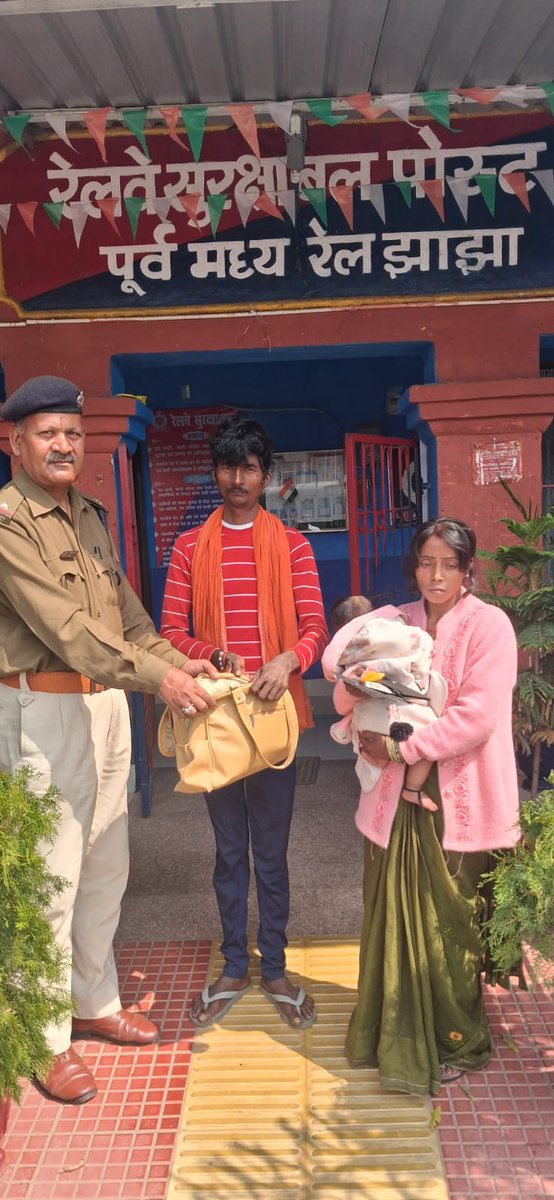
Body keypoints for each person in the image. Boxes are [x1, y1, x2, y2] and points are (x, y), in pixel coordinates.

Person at [0, 375, 219, 1105]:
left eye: (71, 432)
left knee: (104, 866)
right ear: (14, 442)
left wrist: (176, 659)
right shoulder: (7, 524)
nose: (63, 445)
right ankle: (41, 1036)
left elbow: (126, 618)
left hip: (105, 709)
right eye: (46, 433)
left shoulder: (89, 515)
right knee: (48, 880)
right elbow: (69, 631)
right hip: (46, 712)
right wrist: (158, 680)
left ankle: (92, 1003)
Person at [336, 518, 520, 1096]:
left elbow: (477, 717)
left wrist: (401, 746)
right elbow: (345, 684)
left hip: (454, 799)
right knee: (389, 917)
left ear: (469, 569)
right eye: (425, 562)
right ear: (414, 566)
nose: (436, 575)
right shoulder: (394, 621)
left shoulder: (491, 626)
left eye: (449, 563)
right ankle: (386, 1033)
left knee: (450, 923)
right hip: (391, 801)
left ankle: (456, 1040)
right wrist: (358, 692)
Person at [161, 416, 328, 1030]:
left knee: (273, 854)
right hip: (218, 722)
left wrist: (287, 660)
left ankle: (276, 965)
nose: (238, 478)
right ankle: (235, 963)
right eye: (228, 467)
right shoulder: (187, 548)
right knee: (230, 851)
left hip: (274, 717)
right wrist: (209, 655)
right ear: (216, 472)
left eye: (250, 467)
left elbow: (315, 628)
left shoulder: (293, 546)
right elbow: (170, 633)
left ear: (265, 474)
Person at [323, 594, 447, 811]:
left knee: (363, 737)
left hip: (374, 722)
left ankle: (373, 766)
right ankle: (413, 788)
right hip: (411, 712)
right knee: (430, 740)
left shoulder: (353, 662)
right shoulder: (400, 631)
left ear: (341, 630)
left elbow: (341, 705)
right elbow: (423, 646)